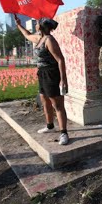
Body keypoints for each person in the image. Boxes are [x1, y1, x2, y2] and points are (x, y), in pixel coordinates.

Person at [14, 15, 70, 145]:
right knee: (45, 101)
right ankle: (50, 126)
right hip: (42, 74)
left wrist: (63, 79)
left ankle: (64, 133)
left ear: (42, 26)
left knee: (58, 105)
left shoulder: (49, 40)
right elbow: (27, 35)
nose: (35, 25)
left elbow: (60, 59)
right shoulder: (40, 39)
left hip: (52, 74)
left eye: (37, 23)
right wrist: (18, 25)